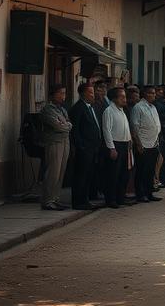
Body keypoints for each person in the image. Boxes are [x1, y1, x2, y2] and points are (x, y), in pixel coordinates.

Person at [68, 81, 102, 210]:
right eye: (90, 92)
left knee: (88, 175)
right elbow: (75, 130)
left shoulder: (90, 107)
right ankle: (78, 202)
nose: (93, 95)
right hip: (84, 149)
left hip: (93, 148)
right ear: (83, 94)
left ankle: (85, 200)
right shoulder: (78, 108)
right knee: (80, 176)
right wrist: (80, 146)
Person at [40, 85, 72, 210]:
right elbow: (58, 126)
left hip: (65, 141)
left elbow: (68, 123)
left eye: (64, 93)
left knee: (61, 172)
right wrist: (66, 126)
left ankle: (55, 198)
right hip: (54, 142)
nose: (63, 96)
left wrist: (66, 125)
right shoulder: (48, 109)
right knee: (53, 171)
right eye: (60, 93)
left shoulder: (62, 110)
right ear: (53, 95)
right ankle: (48, 200)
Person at [129, 84, 162, 202]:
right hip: (143, 144)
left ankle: (149, 192)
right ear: (145, 94)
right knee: (142, 170)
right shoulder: (138, 107)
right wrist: (138, 144)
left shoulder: (153, 107)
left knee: (150, 170)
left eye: (154, 93)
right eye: (151, 93)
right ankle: (140, 193)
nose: (154, 95)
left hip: (153, 143)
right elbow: (134, 127)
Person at [101, 86, 133, 209]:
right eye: (122, 97)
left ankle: (121, 197)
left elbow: (126, 128)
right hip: (115, 145)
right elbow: (106, 130)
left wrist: (129, 141)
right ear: (114, 98)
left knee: (124, 174)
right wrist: (112, 148)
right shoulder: (109, 111)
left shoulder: (122, 111)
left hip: (125, 144)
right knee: (113, 174)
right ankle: (111, 199)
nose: (125, 99)